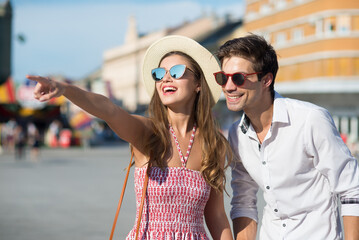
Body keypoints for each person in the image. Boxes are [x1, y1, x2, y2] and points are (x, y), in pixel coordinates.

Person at [27, 35, 233, 240]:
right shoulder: (148, 132)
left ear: (198, 83)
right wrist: (65, 89)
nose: (166, 79)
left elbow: (216, 216)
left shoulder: (214, 144)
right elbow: (109, 110)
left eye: (177, 72)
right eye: (159, 74)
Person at [214, 33, 359, 240]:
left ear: (266, 80)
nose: (228, 87)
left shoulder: (310, 120)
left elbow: (351, 189)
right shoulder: (237, 134)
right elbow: (243, 202)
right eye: (223, 77)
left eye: (238, 78)